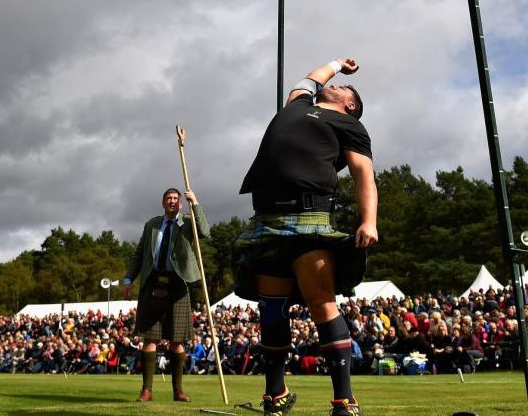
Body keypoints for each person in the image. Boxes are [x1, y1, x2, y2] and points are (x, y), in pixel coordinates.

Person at [233, 58, 376, 416]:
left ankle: (344, 402)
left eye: (344, 86)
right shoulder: (298, 106)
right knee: (271, 310)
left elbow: (363, 174)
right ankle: (275, 396)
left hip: (309, 217)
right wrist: (337, 63)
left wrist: (368, 221)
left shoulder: (348, 124)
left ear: (351, 105)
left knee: (321, 302)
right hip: (267, 220)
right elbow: (307, 81)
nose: (335, 83)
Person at [122, 187, 210, 403]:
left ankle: (178, 391)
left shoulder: (187, 222)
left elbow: (205, 232)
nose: (172, 202)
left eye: (175, 199)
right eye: (168, 199)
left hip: (178, 285)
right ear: (163, 203)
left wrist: (196, 203)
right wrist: (128, 279)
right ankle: (146, 391)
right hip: (152, 284)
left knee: (176, 340)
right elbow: (139, 253)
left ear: (180, 204)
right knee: (149, 338)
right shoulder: (152, 224)